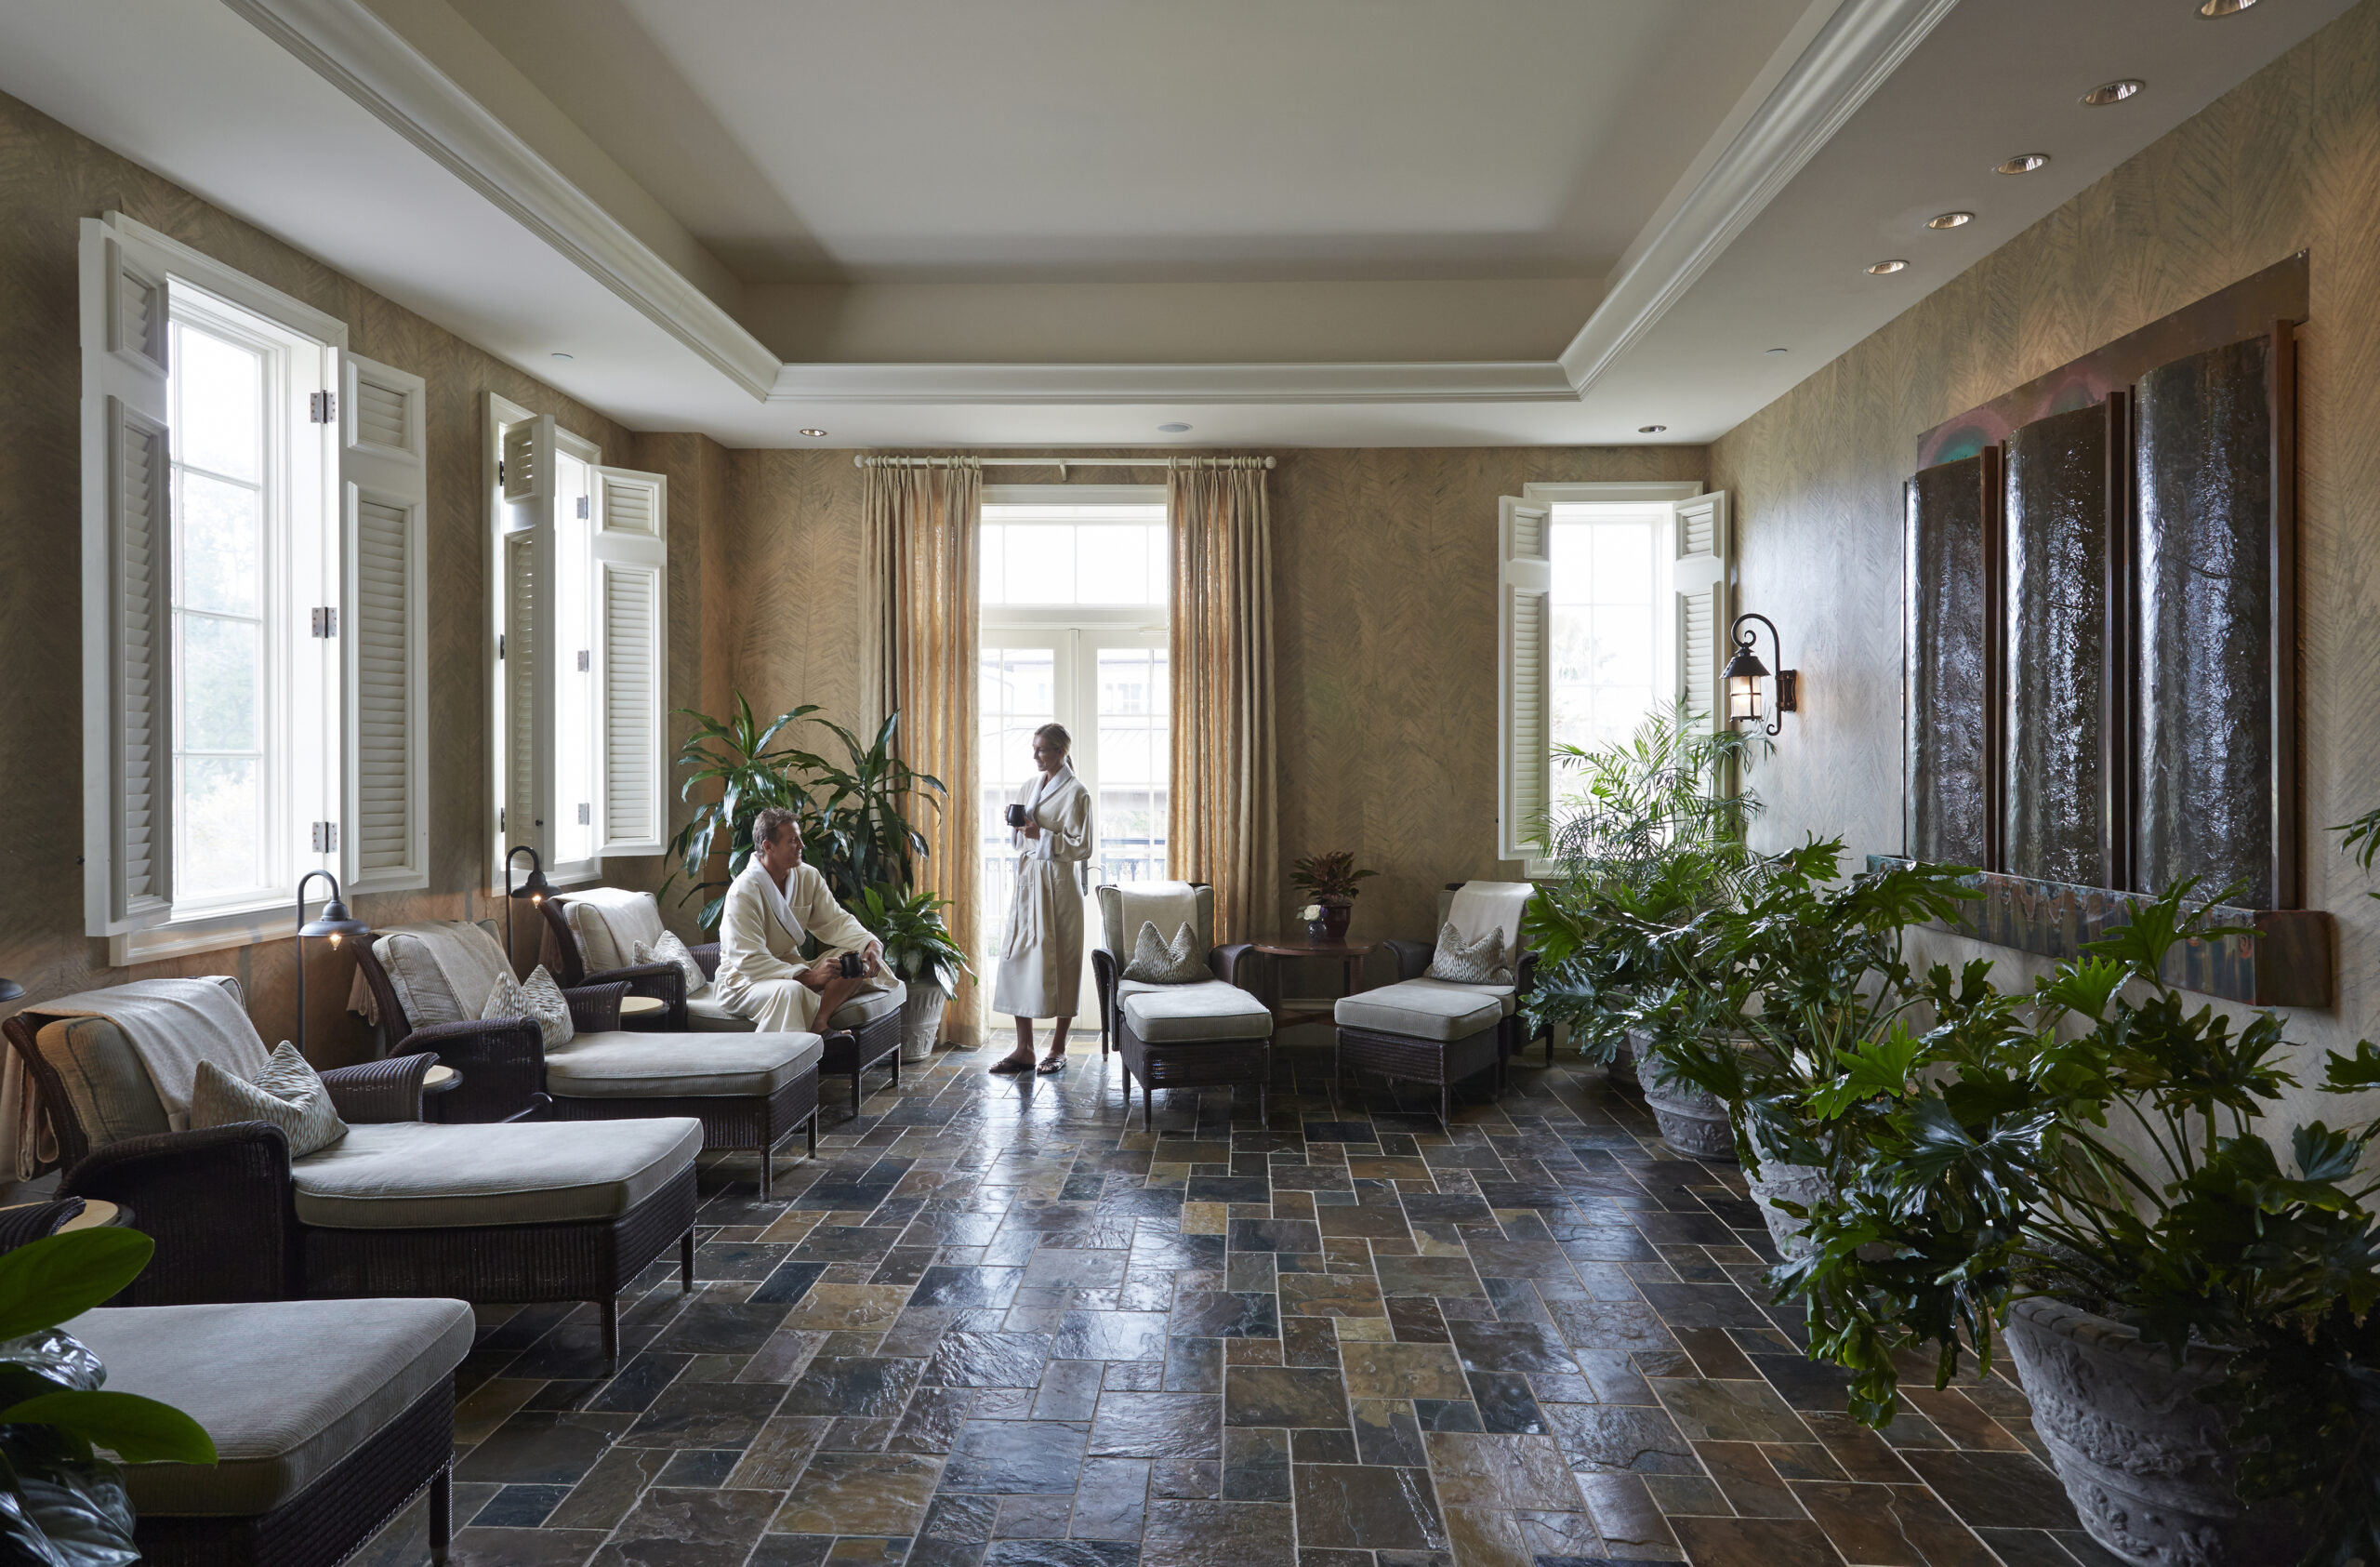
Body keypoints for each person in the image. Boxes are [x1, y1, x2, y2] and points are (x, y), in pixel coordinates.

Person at [714, 805, 900, 1032]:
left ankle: (819, 1021)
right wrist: (811, 977)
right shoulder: (743, 892)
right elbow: (749, 960)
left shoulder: (807, 876)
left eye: (799, 839)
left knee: (853, 960)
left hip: (791, 966)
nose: (802, 846)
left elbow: (836, 921)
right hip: (744, 980)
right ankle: (785, 1061)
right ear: (768, 846)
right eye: (793, 841)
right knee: (792, 991)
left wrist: (871, 944)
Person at [988, 723, 1093, 1075]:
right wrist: (1017, 825)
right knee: (1017, 956)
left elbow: (1083, 846)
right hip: (1029, 882)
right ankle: (1024, 1049)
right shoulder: (1030, 785)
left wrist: (1042, 834)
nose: (1035, 755)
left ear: (1062, 751)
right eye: (1034, 748)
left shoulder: (1078, 793)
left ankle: (1058, 1048)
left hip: (1060, 886)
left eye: (1043, 749)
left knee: (1064, 961)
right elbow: (1024, 837)